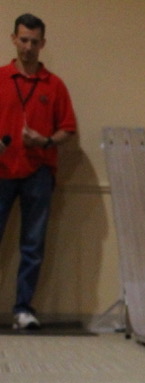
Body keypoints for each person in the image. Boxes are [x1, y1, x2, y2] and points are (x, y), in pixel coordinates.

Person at [1, 13, 75, 331]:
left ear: (42, 43)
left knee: (32, 245)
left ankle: (23, 309)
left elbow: (67, 129)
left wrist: (44, 141)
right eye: (23, 40)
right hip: (2, 170)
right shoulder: (0, 78)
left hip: (39, 173)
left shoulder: (54, 85)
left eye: (34, 41)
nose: (28, 47)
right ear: (13, 39)